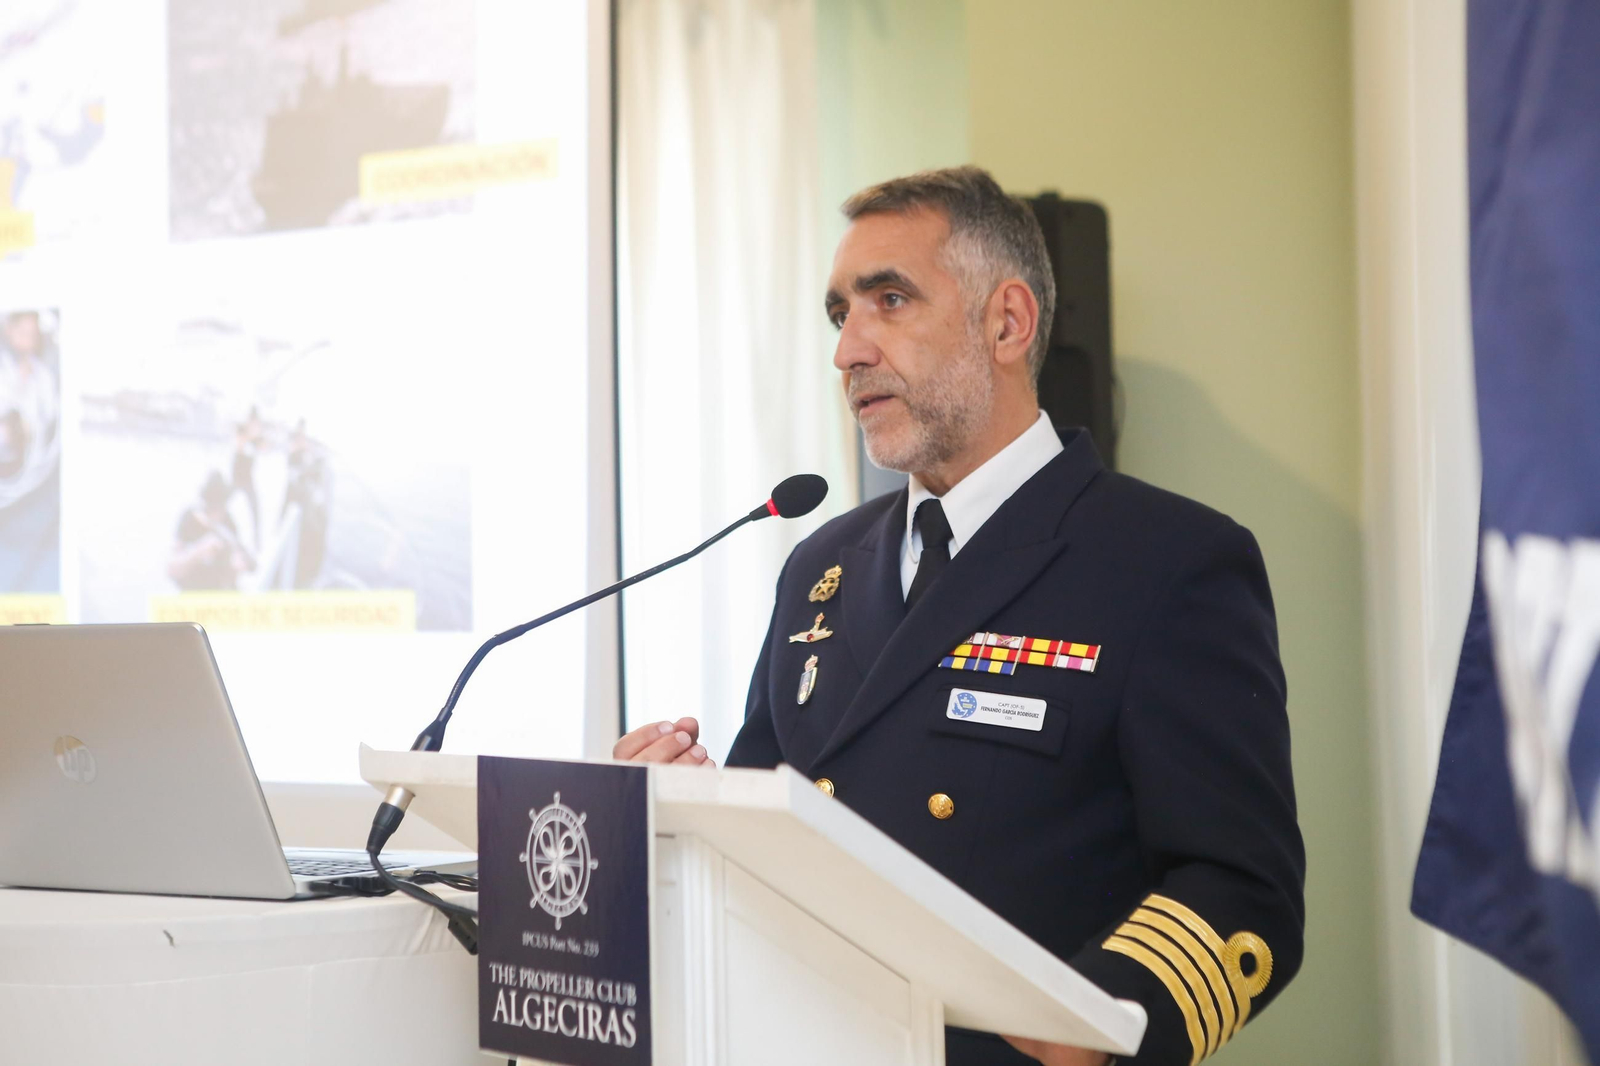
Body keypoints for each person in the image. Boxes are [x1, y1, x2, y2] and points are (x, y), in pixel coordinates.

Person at [613, 167, 1304, 1066]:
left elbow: (1240, 890)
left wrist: (1089, 1028)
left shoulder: (1167, 562)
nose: (848, 352)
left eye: (888, 300)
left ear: (1006, 323)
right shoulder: (819, 565)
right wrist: (679, 806)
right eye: (839, 314)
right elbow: (774, 821)